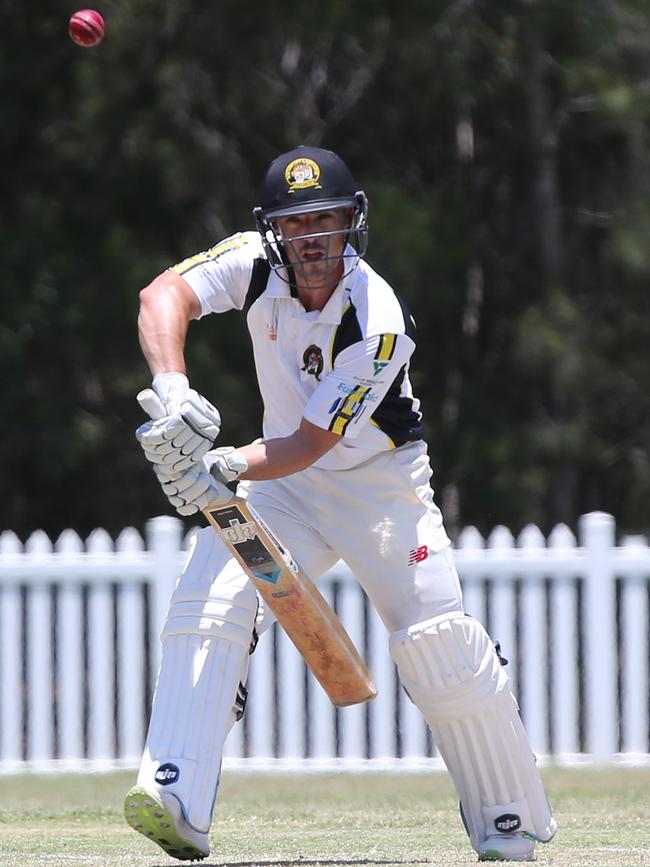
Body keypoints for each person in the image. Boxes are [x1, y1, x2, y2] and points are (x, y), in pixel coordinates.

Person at [124, 145, 557, 863]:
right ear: (275, 233)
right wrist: (173, 391)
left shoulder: (377, 316)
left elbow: (310, 442)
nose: (313, 239)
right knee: (211, 600)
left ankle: (508, 819)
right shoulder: (255, 263)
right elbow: (160, 296)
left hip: (380, 489)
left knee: (438, 646)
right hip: (285, 489)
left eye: (327, 221)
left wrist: (222, 465)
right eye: (297, 225)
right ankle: (174, 792)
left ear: (352, 223)